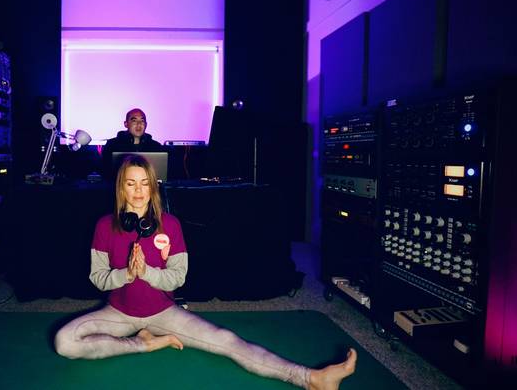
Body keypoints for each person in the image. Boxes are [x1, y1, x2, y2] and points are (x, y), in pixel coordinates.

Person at [54, 155, 357, 390]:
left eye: (144, 183)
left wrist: (146, 273)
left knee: (225, 339)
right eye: (130, 183)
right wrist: (126, 276)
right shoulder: (105, 225)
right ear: (121, 187)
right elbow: (98, 277)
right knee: (64, 342)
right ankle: (143, 343)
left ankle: (310, 378)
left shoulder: (169, 224)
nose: (137, 191)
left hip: (162, 312)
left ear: (153, 185)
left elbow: (177, 278)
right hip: (118, 312)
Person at [102, 108, 165, 179]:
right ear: (126, 124)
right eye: (134, 121)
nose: (139, 124)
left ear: (146, 125)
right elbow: (105, 172)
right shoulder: (112, 145)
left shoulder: (155, 146)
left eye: (142, 121)